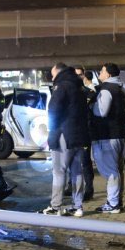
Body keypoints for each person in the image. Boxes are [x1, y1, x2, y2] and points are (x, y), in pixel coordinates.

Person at [42, 62, 89, 216]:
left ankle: (55, 206)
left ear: (58, 71)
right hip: (79, 134)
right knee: (77, 171)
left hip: (64, 134)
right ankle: (78, 206)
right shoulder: (79, 86)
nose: (52, 76)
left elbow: (53, 109)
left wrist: (52, 130)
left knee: (59, 171)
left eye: (52, 73)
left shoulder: (61, 86)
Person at [90, 62, 125, 213]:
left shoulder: (106, 89)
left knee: (111, 171)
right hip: (121, 135)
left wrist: (92, 105)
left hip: (107, 135)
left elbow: (101, 111)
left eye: (102, 71)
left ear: (108, 74)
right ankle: (117, 201)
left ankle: (112, 204)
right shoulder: (121, 89)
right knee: (118, 170)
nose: (100, 73)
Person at [73, 66, 96, 201]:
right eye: (76, 75)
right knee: (71, 162)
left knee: (85, 162)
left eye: (80, 75)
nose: (79, 78)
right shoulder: (69, 92)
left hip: (84, 132)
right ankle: (71, 186)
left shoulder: (90, 93)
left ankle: (89, 189)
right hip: (71, 132)